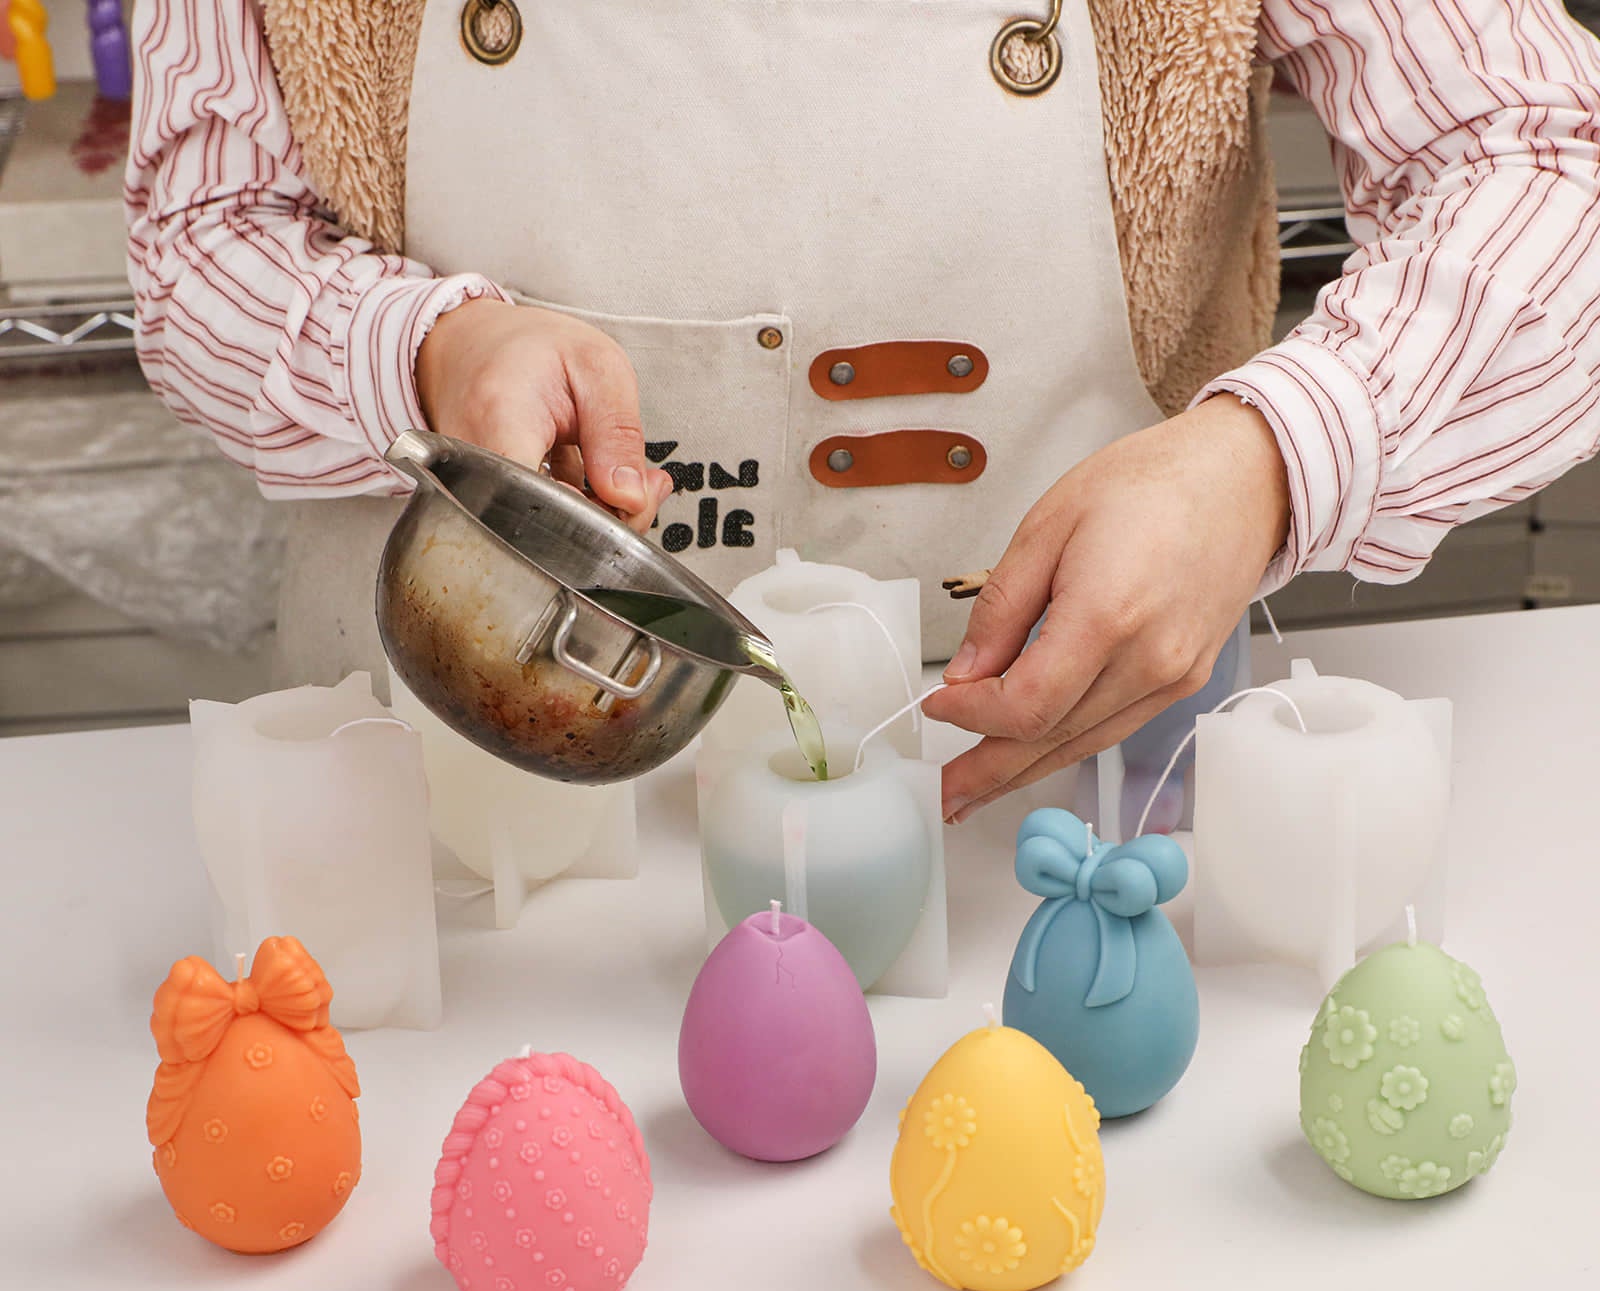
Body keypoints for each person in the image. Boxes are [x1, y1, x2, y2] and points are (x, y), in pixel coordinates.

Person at [127, 1, 1600, 822]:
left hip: (1061, 806)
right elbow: (201, 238)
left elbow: (1546, 160)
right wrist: (424, 350)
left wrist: (1272, 456)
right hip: (452, 805)